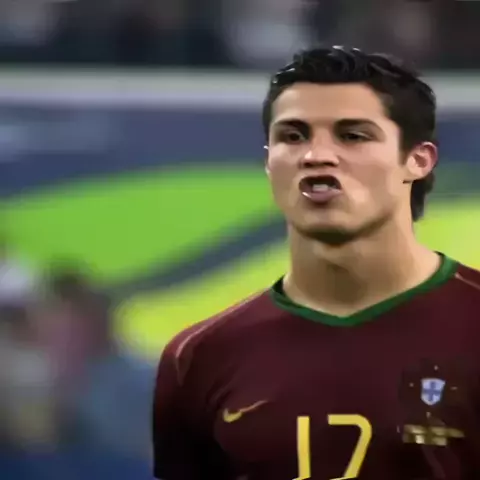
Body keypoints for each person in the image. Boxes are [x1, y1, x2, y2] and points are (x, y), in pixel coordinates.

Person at [152, 46, 480, 479]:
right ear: (268, 162)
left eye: (352, 135)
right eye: (293, 136)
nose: (316, 155)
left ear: (417, 160)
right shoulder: (198, 358)